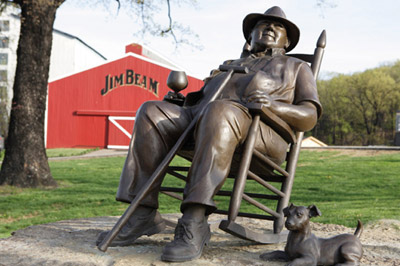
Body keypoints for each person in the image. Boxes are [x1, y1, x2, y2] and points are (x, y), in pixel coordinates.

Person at [97, 6, 322, 262]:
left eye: (278, 27)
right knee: (151, 111)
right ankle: (142, 214)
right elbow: (202, 102)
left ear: (288, 41)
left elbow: (309, 115)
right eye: (262, 25)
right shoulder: (229, 65)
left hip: (260, 134)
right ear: (249, 36)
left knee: (219, 112)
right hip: (207, 123)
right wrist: (179, 104)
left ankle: (194, 221)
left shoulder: (295, 67)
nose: (270, 28)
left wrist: (274, 106)